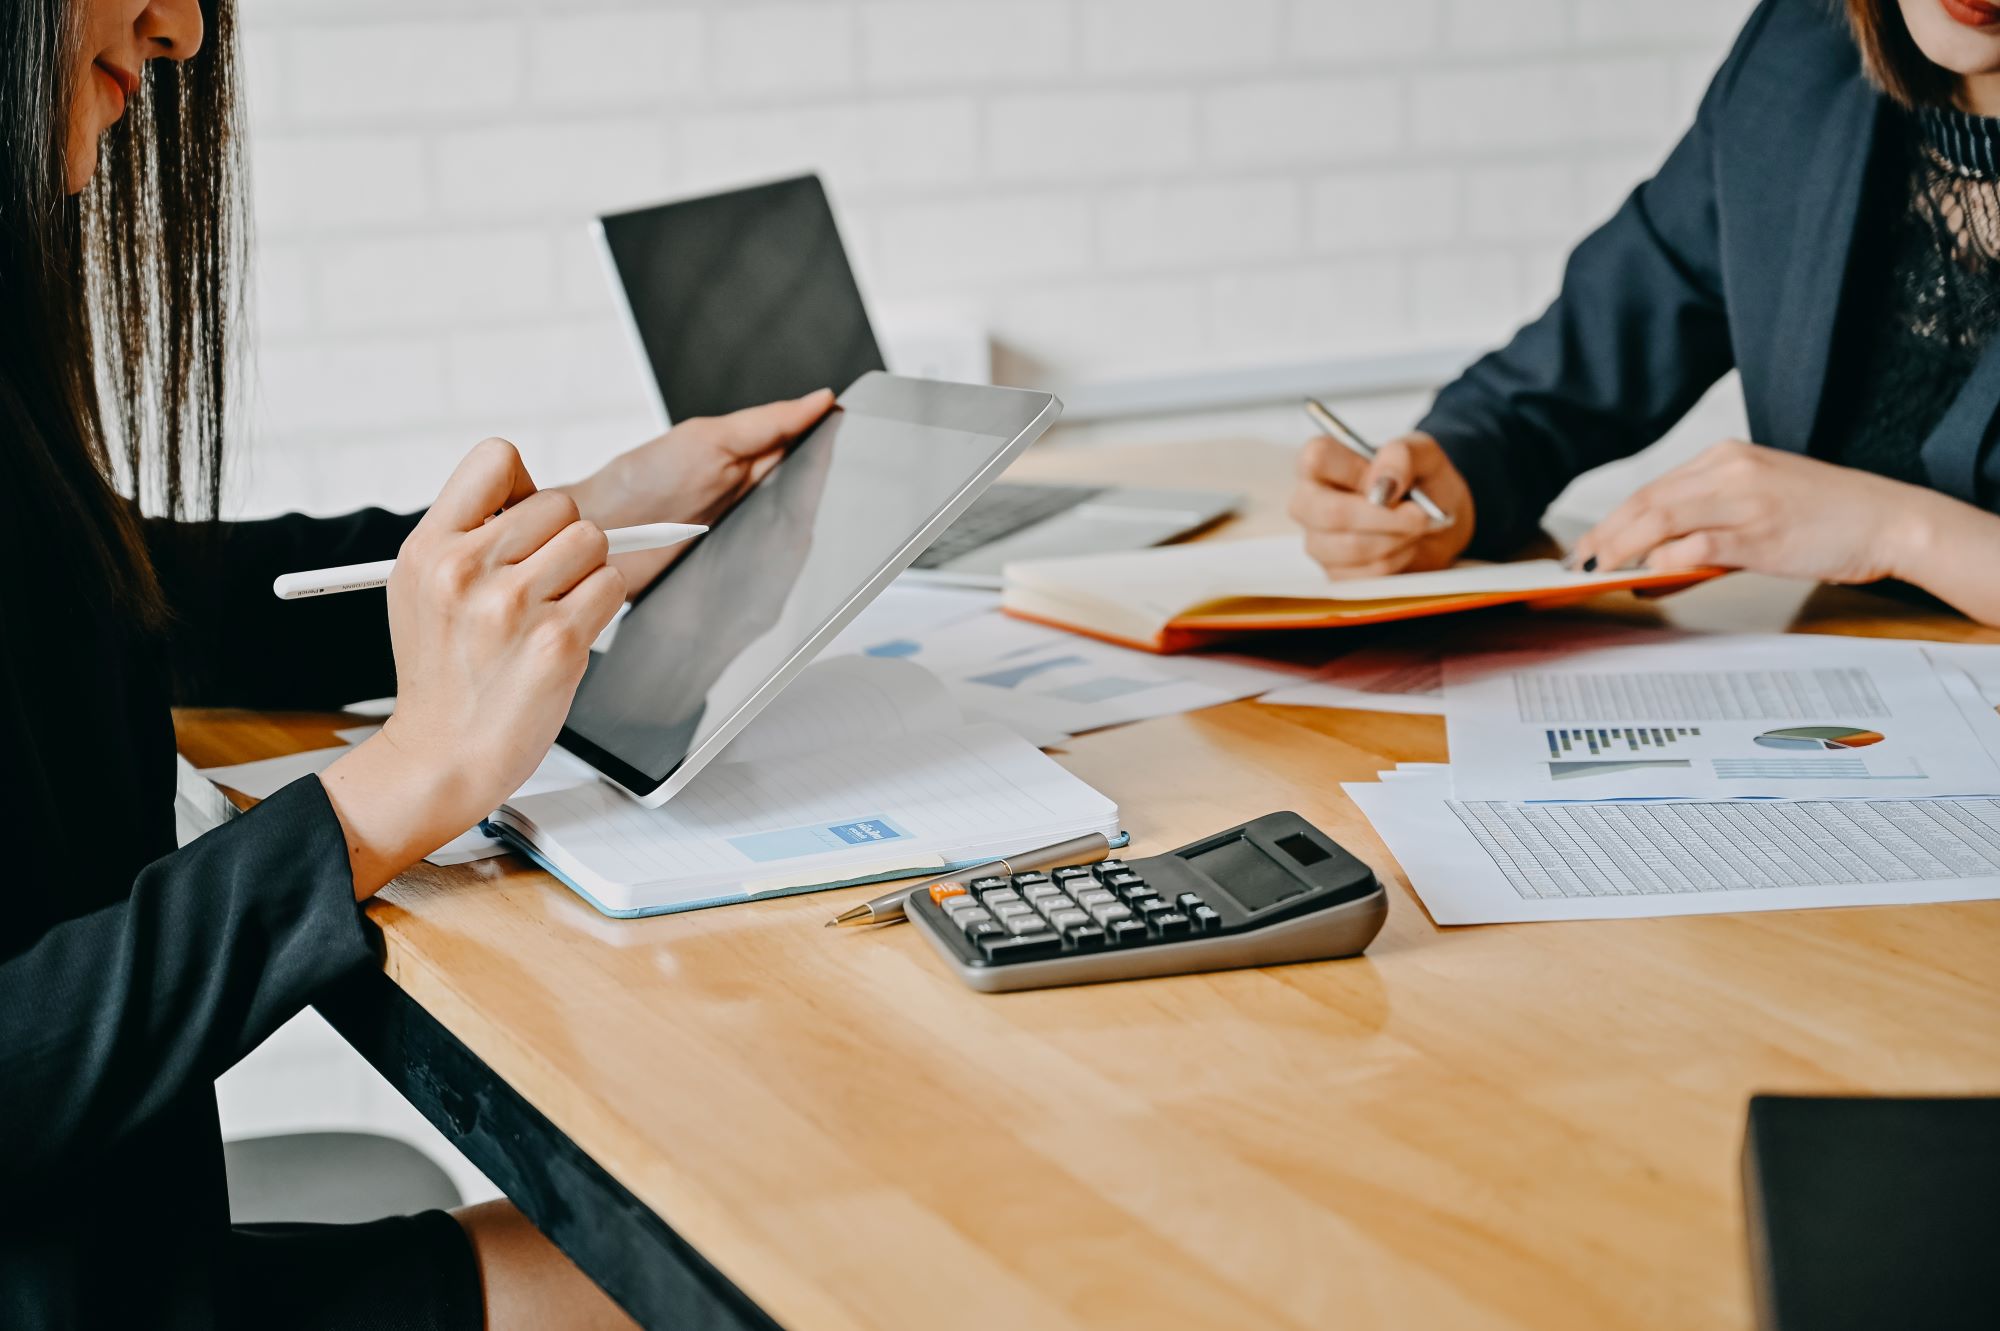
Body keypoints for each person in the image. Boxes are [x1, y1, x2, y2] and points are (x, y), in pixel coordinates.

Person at [0, 1, 833, 1327]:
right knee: (748, 1271)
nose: (182, 32)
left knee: (735, 1240)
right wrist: (400, 786)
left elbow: (114, 589)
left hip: (107, 1247)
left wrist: (586, 525)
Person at [1291, 0, 2000, 627]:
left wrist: (1895, 532)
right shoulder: (1802, 46)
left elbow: (1888, 528)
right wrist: (1456, 477)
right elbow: (1597, 343)